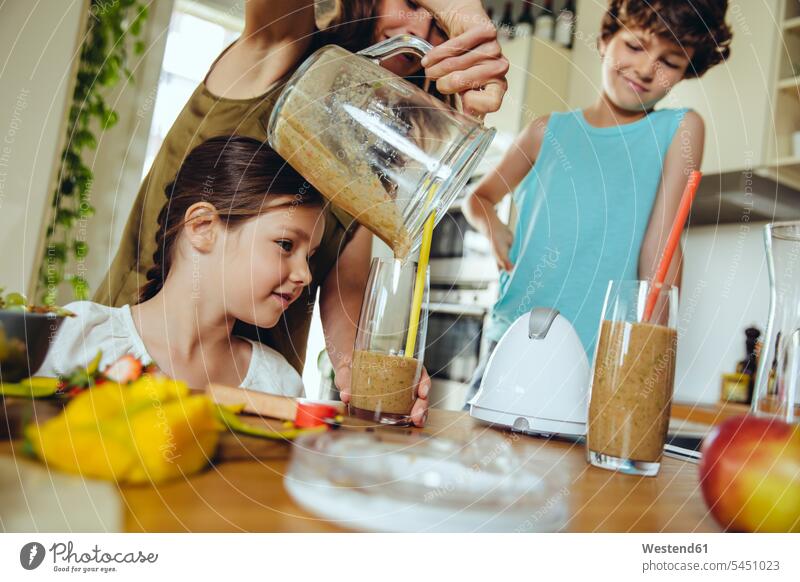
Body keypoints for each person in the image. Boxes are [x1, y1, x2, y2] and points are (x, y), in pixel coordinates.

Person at [93, 0, 509, 427]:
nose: (421, 27)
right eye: (412, 2)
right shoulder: (281, 50)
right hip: (125, 380)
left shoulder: (376, 158)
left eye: (440, 28)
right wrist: (461, 11)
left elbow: (346, 295)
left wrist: (363, 376)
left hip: (254, 413)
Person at [462, 0, 732, 406]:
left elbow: (660, 250)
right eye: (636, 46)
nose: (645, 69)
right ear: (606, 39)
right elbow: (479, 198)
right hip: (514, 339)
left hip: (599, 362)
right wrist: (493, 226)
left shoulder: (680, 129)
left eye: (670, 61)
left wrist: (649, 360)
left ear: (685, 72)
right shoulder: (545, 130)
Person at [39, 137, 323, 396]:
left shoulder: (281, 384)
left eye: (309, 256)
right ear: (202, 227)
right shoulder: (74, 337)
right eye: (286, 245)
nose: (305, 275)